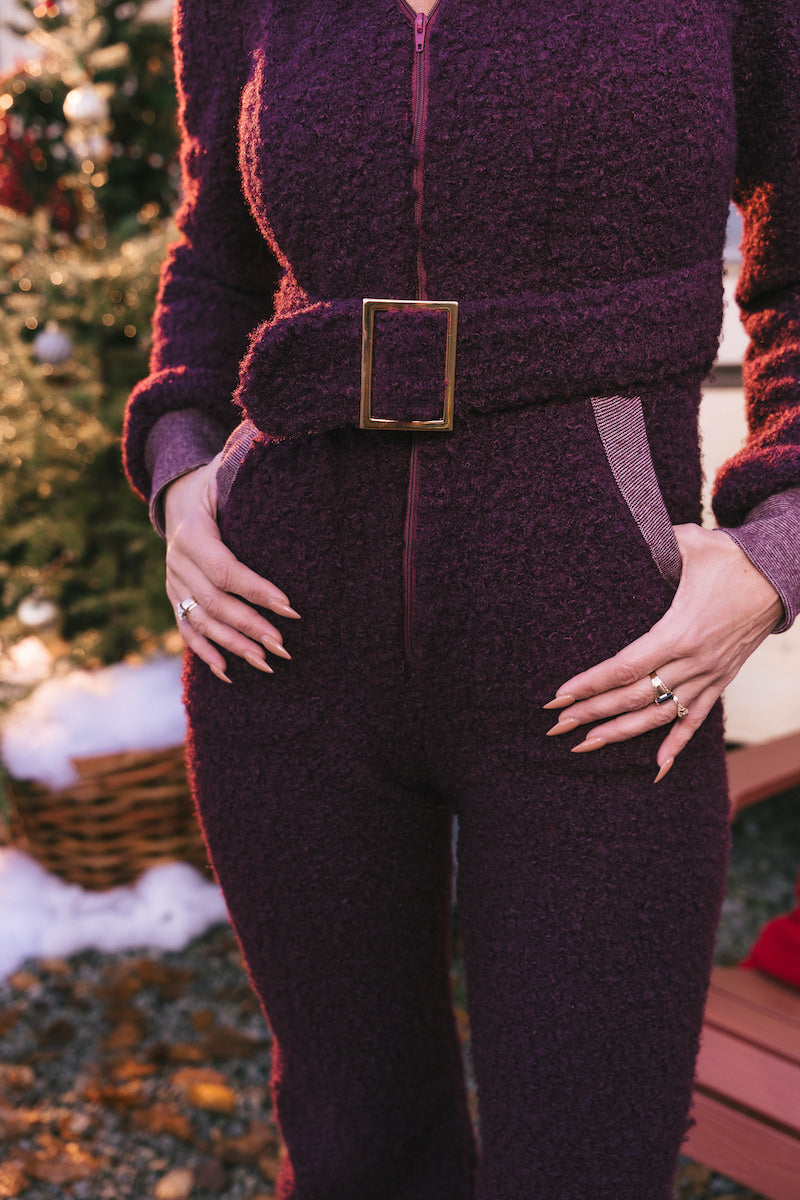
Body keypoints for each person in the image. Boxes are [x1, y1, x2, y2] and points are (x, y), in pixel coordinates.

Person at [124, 2, 800, 1196]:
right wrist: (183, 468)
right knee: (354, 1147)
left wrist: (772, 552)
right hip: (282, 640)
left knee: (585, 1160)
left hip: (603, 655)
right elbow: (215, 261)